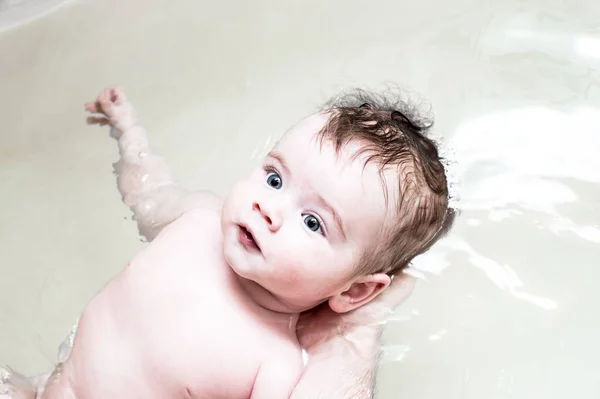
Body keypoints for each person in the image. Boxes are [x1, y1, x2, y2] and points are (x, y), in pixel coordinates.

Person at [0, 86, 455, 398]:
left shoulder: (273, 366)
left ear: (354, 291)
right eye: (275, 178)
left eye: (313, 222)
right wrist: (128, 132)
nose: (268, 208)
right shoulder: (198, 221)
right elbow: (148, 194)